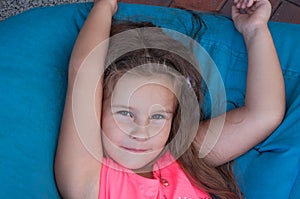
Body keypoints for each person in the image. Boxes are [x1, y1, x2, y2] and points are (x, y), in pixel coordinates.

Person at [54, 0, 285, 198]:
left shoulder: (181, 156)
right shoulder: (90, 182)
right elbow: (85, 73)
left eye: (158, 116)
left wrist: (255, 31)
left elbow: (264, 114)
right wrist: (105, 5)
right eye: (125, 113)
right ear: (96, 108)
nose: (141, 132)